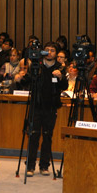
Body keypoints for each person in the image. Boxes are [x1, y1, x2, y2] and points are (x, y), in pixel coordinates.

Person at [24, 42, 68, 176]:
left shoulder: (60, 67)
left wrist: (60, 77)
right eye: (47, 50)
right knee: (34, 135)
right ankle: (30, 166)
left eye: (52, 50)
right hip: (36, 106)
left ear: (56, 53)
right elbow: (27, 82)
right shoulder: (37, 65)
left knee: (48, 136)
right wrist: (23, 76)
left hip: (51, 106)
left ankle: (44, 165)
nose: (49, 52)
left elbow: (64, 86)